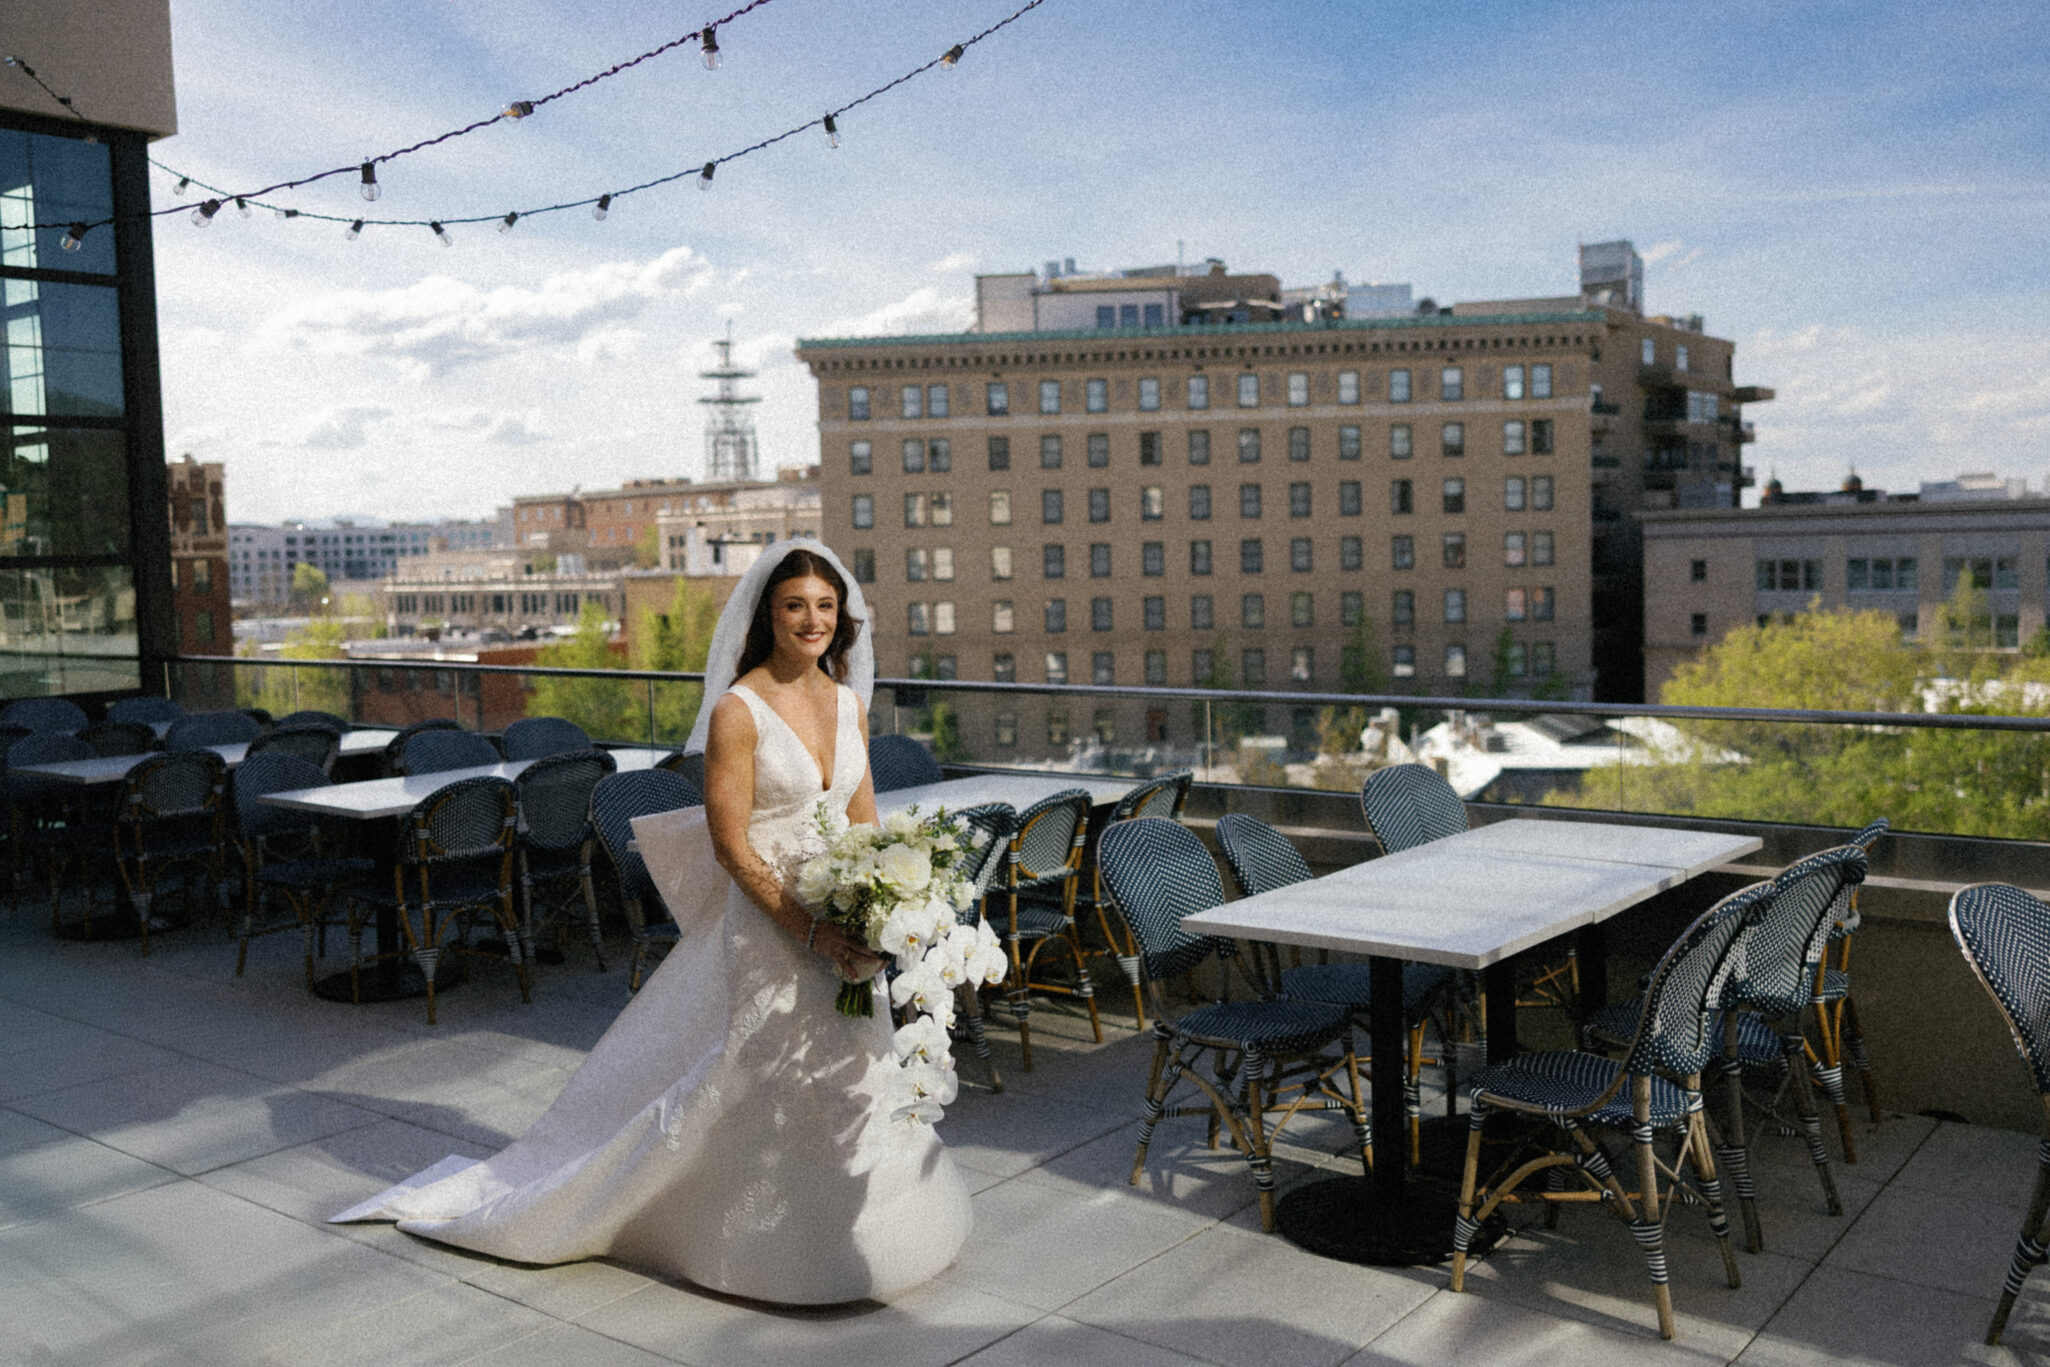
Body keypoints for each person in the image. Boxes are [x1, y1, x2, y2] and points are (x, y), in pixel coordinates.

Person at [331, 540, 972, 1304]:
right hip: (771, 921)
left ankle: (861, 1229)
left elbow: (861, 817)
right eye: (796, 604)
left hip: (844, 918)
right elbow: (731, 846)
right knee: (757, 1067)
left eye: (826, 606)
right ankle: (732, 1233)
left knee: (853, 1067)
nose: (812, 620)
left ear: (844, 617)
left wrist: (876, 912)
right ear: (767, 613)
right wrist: (811, 929)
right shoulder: (741, 710)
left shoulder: (847, 704)